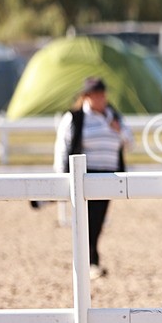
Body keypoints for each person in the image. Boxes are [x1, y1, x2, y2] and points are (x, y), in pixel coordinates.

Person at [53, 76, 132, 279]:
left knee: (97, 220)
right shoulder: (75, 117)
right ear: (86, 96)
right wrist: (62, 175)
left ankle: (90, 259)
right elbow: (63, 146)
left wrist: (118, 129)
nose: (101, 98)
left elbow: (130, 142)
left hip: (109, 174)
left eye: (103, 94)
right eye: (96, 94)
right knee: (87, 219)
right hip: (86, 174)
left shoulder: (113, 116)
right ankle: (90, 261)